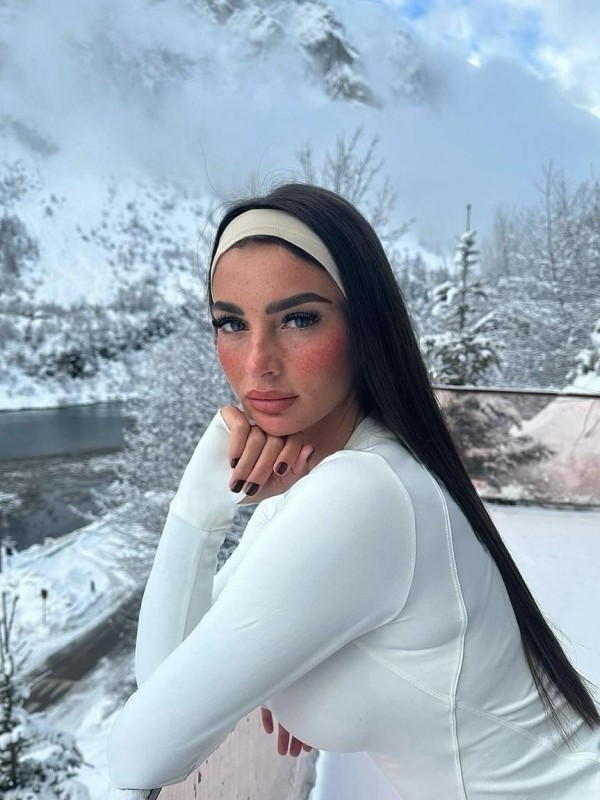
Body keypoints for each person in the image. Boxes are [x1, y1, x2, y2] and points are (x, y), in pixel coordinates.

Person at [106, 183, 600, 799]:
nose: (257, 362)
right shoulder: (324, 475)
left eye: (299, 319)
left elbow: (138, 755)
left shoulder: (362, 493)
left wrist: (196, 512)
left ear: (363, 325)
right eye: (231, 323)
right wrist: (203, 503)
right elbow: (166, 686)